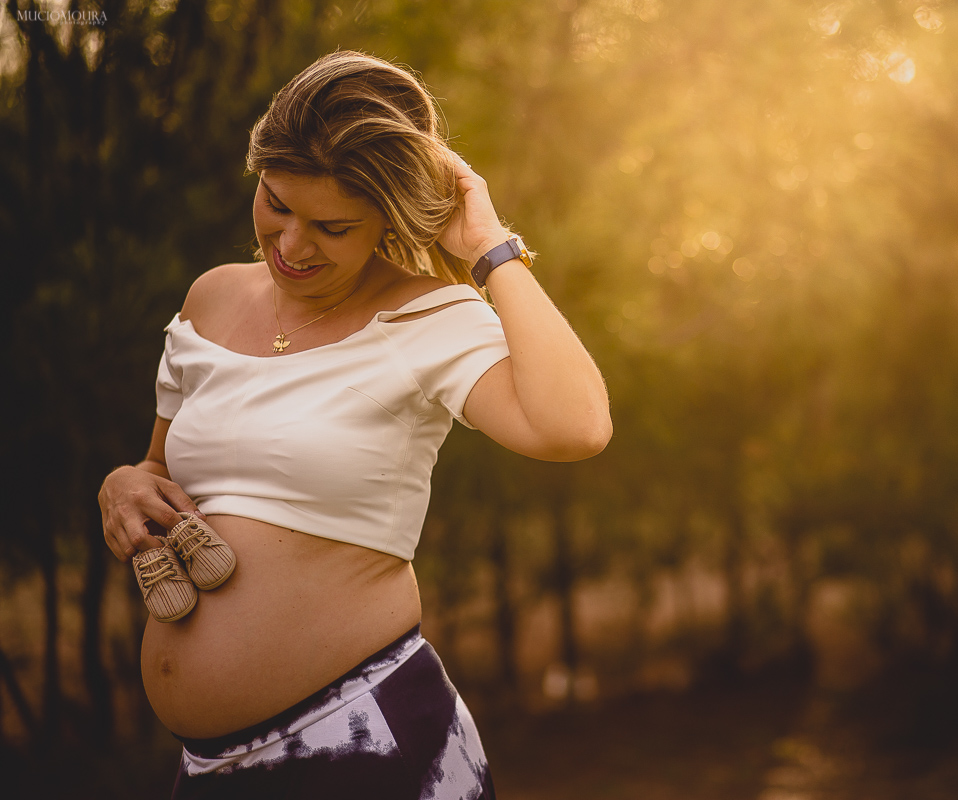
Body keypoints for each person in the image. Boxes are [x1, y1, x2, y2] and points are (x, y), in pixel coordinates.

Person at [96, 50, 611, 799]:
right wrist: (122, 485)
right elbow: (158, 468)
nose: (293, 246)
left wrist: (492, 250)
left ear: (385, 221)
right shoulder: (210, 297)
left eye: (332, 227)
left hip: (364, 745)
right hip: (208, 771)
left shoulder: (429, 317)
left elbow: (575, 427)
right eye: (276, 204)